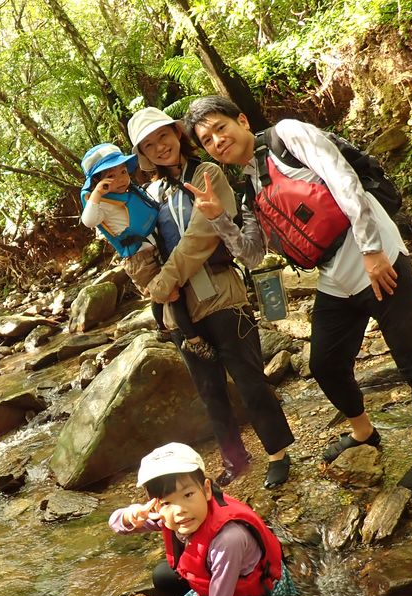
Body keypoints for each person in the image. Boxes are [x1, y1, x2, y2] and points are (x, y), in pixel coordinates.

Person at [180, 95, 412, 491]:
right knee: (325, 364)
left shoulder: (289, 135)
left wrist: (372, 250)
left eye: (221, 128)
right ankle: (363, 432)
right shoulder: (250, 188)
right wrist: (219, 218)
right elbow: (251, 255)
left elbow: (343, 180)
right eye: (207, 140)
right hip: (334, 276)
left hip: (377, 258)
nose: (217, 141)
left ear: (241, 121)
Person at [125, 107, 295, 489]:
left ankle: (277, 453)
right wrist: (151, 282)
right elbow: (138, 249)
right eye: (149, 145)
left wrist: (161, 283)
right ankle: (235, 459)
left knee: (249, 379)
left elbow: (202, 237)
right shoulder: (149, 195)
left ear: (176, 133)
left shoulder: (208, 174)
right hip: (179, 308)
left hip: (221, 293)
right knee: (209, 391)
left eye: (163, 137)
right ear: (143, 154)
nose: (159, 147)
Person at [108, 442, 295, 596]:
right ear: (156, 505)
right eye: (166, 502)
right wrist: (128, 515)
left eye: (188, 495)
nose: (180, 511)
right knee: (162, 576)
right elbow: (117, 526)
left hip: (259, 594)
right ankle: (197, 595)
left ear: (206, 490)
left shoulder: (229, 539)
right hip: (221, 577)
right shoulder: (174, 514)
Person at [79, 143, 215, 360]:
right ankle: (193, 341)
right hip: (139, 259)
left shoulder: (131, 191)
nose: (122, 178)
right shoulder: (101, 204)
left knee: (160, 292)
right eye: (112, 176)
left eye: (123, 172)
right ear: (99, 181)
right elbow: (88, 221)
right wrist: (96, 193)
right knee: (171, 294)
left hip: (155, 249)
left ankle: (162, 328)